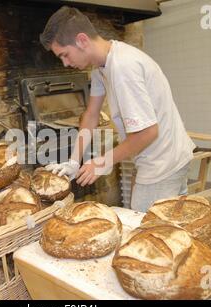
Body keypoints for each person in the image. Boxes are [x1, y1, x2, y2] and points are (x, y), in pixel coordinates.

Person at [40, 6, 195, 212]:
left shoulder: (123, 67)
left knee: (147, 232)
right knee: (147, 219)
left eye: (65, 55)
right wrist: (74, 161)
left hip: (163, 162)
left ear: (82, 40)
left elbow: (148, 132)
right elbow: (91, 115)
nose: (66, 63)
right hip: (156, 158)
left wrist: (102, 162)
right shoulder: (101, 68)